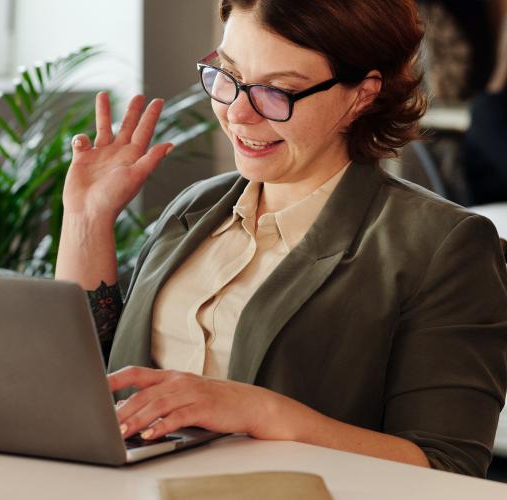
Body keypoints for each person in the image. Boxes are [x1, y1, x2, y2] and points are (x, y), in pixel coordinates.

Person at [55, 0, 507, 478]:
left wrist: (261, 412)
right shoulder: (195, 208)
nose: (238, 113)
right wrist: (87, 220)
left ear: (362, 95)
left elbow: (448, 467)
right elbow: (94, 376)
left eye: (275, 91)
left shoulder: (442, 245)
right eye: (227, 75)